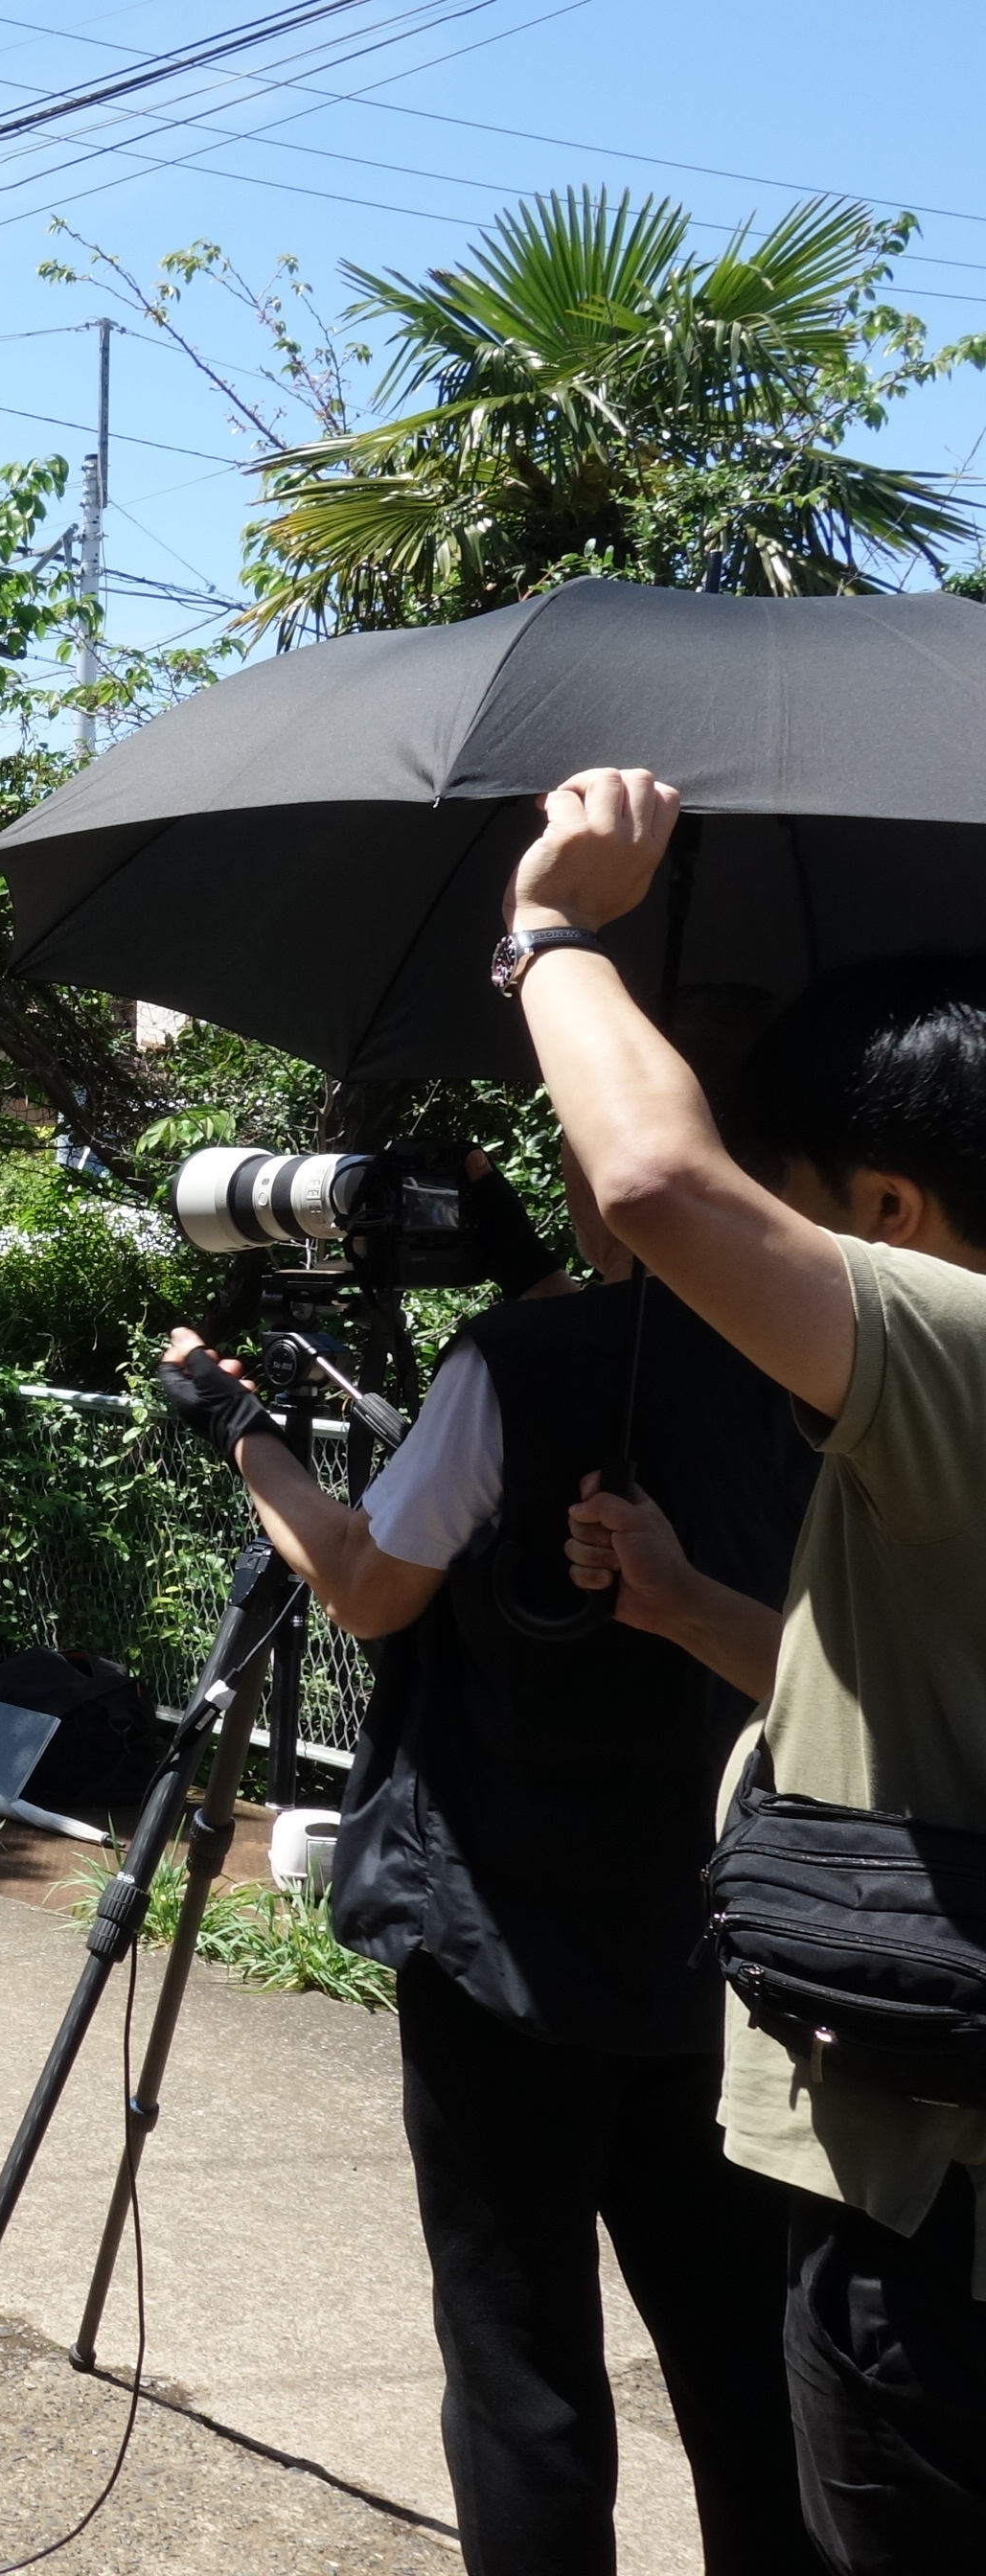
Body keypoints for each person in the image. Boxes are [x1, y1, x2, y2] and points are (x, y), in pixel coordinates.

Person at [157, 1140, 821, 2576]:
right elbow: (646, 1383)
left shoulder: (513, 1365)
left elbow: (365, 1585)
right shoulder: (822, 1350)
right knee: (743, 2360)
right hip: (732, 1940)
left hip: (502, 1943)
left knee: (521, 2371)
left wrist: (240, 1428)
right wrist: (537, 1268)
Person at [502, 768, 986, 2571]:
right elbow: (924, 1705)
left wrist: (550, 927)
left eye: (798, 1203)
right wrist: (697, 1607)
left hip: (935, 2201)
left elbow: (650, 1183)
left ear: (889, 1205)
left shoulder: (957, 1350)